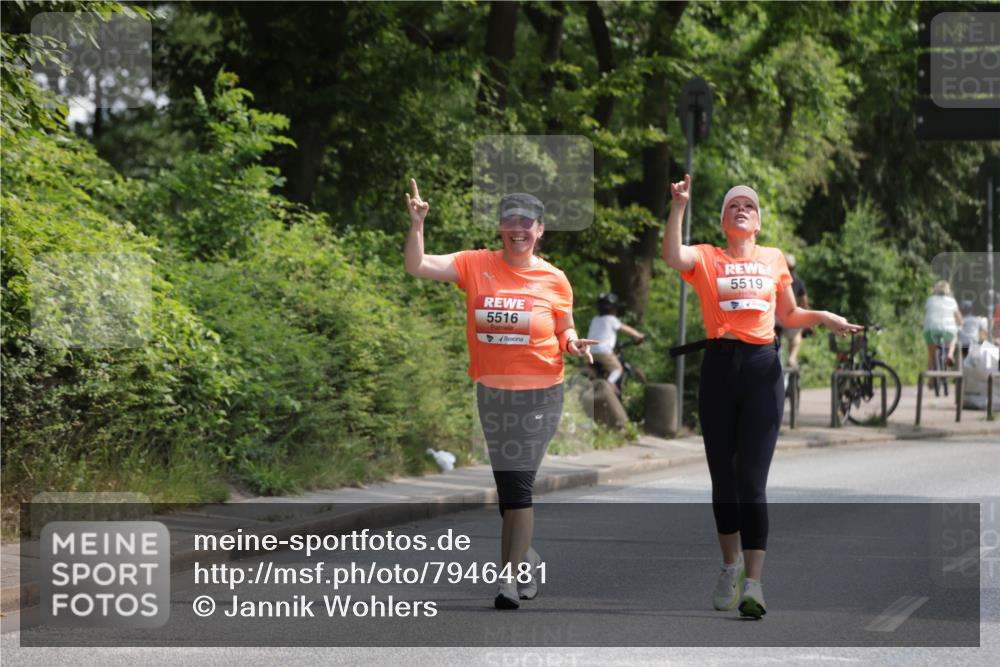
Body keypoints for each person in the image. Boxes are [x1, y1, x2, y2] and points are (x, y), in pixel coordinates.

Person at [661, 174, 861, 619]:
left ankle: (755, 583)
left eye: (749, 205)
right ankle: (729, 565)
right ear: (724, 220)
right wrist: (679, 206)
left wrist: (823, 316)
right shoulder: (708, 257)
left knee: (751, 480)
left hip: (762, 370)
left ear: (759, 221)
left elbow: (788, 314)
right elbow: (672, 255)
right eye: (734, 205)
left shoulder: (773, 258)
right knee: (723, 479)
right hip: (718, 368)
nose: (742, 209)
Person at [403, 179, 597, 610]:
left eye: (526, 222)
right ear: (499, 228)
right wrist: (417, 224)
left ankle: (507, 579)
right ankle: (524, 558)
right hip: (493, 393)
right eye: (510, 221)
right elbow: (418, 267)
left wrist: (572, 342)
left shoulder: (554, 278)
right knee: (507, 490)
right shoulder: (477, 264)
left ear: (540, 229)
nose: (517, 229)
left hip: (542, 392)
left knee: (520, 486)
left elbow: (565, 326)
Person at [587, 293, 646, 391]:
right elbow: (626, 329)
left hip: (589, 351)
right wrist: (638, 335)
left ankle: (599, 380)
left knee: (602, 369)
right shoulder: (611, 320)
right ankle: (608, 384)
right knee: (617, 369)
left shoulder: (595, 319)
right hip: (603, 351)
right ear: (613, 309)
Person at [775, 253, 809, 368]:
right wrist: (806, 318)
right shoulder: (797, 280)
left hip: (774, 317)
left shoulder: (774, 276)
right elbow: (804, 301)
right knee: (796, 335)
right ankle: (792, 358)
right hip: (789, 315)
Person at [923, 280, 962, 375]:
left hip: (930, 329)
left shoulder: (930, 300)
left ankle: (931, 379)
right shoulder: (952, 301)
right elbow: (959, 319)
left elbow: (925, 314)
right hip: (948, 330)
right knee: (954, 337)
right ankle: (950, 354)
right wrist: (959, 323)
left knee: (931, 355)